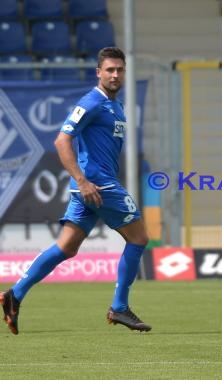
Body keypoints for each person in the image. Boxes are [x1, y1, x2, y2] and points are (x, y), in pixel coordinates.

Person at [0, 47, 151, 335]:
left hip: (90, 187)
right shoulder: (92, 102)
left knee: (66, 247)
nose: (115, 74)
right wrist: (81, 180)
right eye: (110, 69)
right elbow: (61, 141)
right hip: (99, 184)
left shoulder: (113, 104)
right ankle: (119, 307)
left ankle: (14, 295)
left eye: (119, 69)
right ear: (99, 72)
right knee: (139, 238)